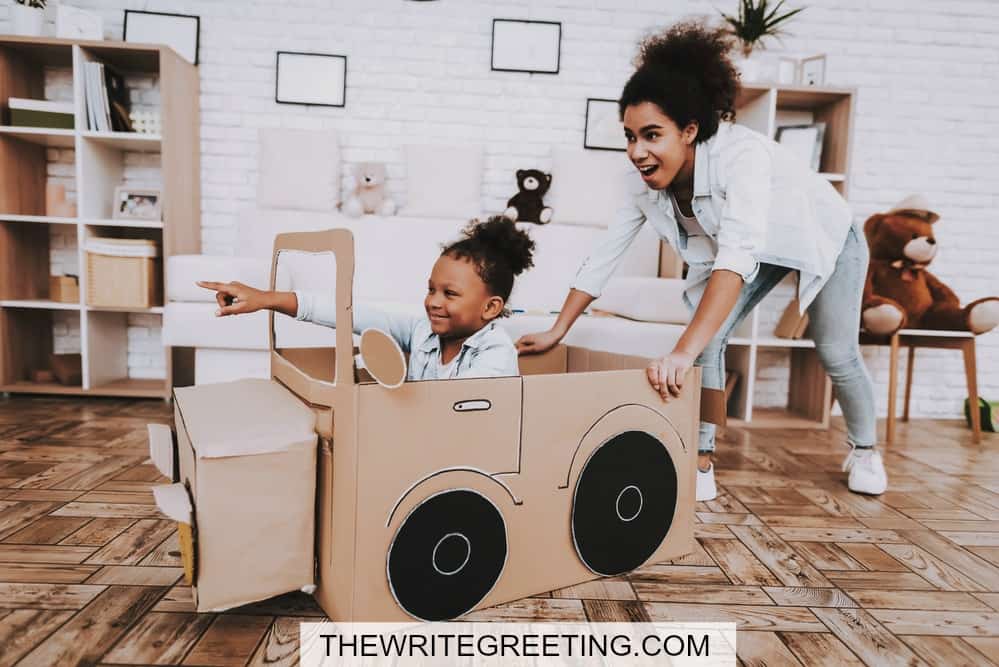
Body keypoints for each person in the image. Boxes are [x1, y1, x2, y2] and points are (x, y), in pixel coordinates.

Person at [516, 21, 884, 500]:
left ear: (689, 130)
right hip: (749, 244)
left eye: (651, 135)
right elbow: (605, 254)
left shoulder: (741, 158)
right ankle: (702, 460)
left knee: (835, 350)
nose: (637, 152)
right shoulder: (641, 182)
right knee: (706, 334)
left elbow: (736, 256)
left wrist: (682, 351)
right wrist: (558, 328)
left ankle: (866, 450)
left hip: (823, 233)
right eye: (629, 136)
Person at [199, 216, 535, 380]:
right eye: (430, 289)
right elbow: (347, 313)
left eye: (449, 294)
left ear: (490, 308)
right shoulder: (423, 331)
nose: (433, 301)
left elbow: (457, 413)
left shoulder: (495, 353)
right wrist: (266, 298)